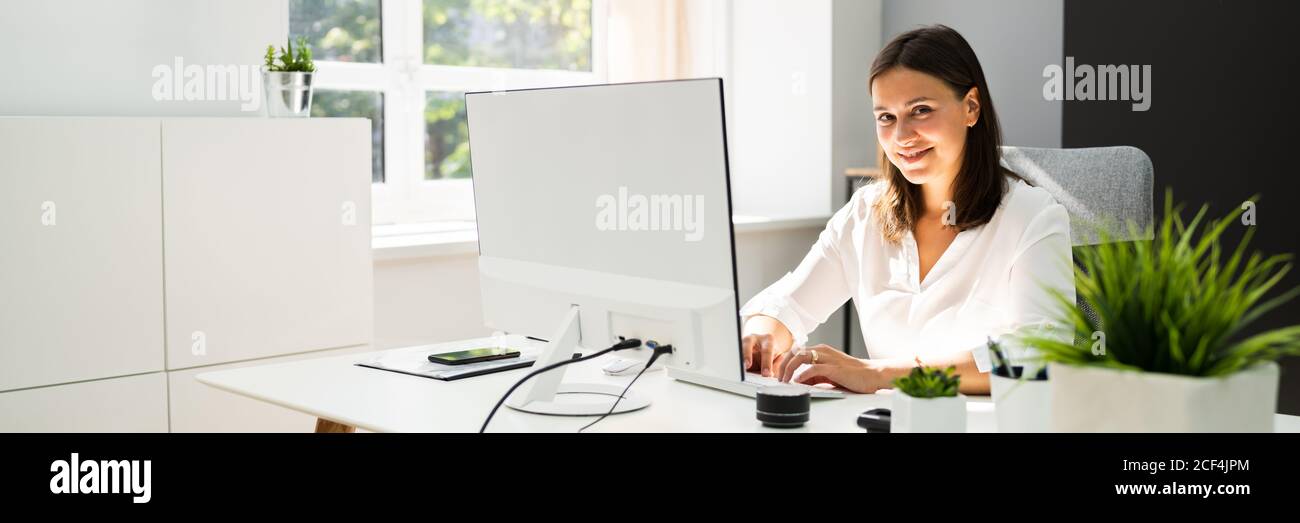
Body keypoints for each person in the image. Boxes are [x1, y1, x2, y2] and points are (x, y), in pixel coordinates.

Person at [739, 25, 1075, 394]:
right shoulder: (865, 214)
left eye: (921, 110)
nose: (901, 137)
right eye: (886, 117)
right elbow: (788, 304)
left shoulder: (1032, 217)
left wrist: (878, 373)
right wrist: (761, 334)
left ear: (971, 108)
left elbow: (1042, 355)